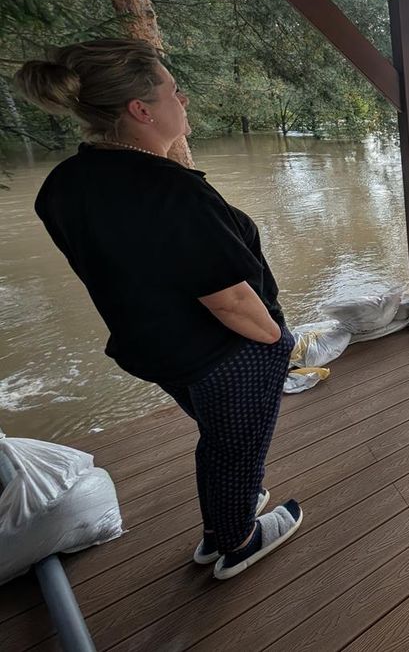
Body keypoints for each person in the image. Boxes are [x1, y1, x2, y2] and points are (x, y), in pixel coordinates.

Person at [15, 39, 302, 580]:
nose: (184, 99)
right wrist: (276, 342)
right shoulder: (169, 190)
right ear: (140, 109)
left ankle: (228, 511)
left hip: (150, 348)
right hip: (224, 352)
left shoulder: (62, 186)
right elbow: (231, 299)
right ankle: (233, 541)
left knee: (221, 438)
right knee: (232, 445)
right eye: (173, 90)